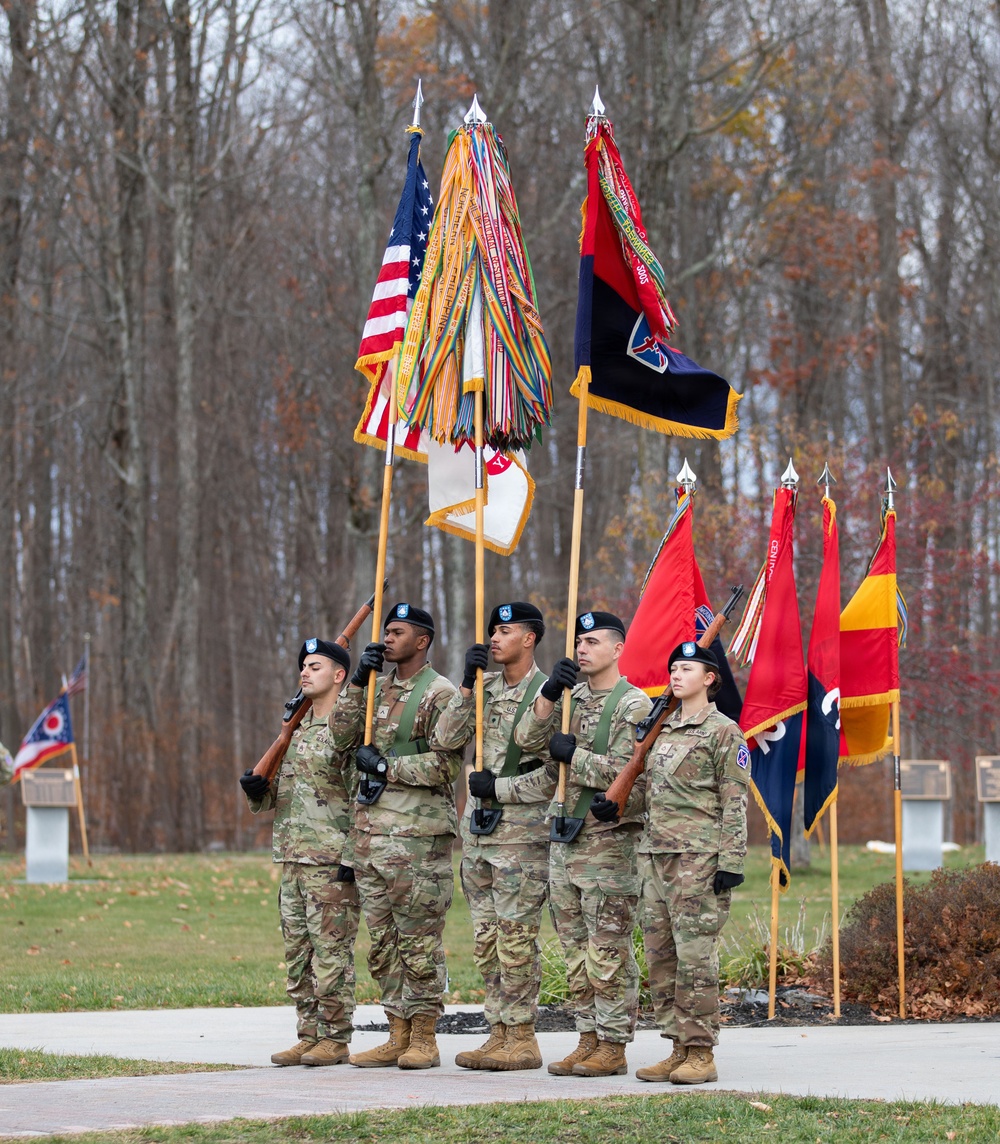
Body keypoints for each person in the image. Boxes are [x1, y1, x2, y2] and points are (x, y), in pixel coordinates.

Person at [594, 640, 748, 1085]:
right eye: (673, 669)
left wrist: (731, 860)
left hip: (698, 860)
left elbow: (733, 801)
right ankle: (676, 1046)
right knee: (661, 959)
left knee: (696, 957)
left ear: (710, 678)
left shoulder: (723, 731)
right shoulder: (660, 731)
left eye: (687, 668)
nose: (677, 675)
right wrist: (617, 806)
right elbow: (649, 792)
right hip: (655, 857)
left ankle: (701, 1051)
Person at [514, 611, 651, 1078]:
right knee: (574, 949)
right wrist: (549, 695)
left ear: (617, 649)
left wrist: (578, 757)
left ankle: (612, 1044)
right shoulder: (569, 701)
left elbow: (636, 776)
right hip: (565, 842)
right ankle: (587, 1035)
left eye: (593, 641)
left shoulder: (635, 706)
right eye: (578, 642)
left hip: (608, 845)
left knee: (607, 950)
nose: (582, 649)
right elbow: (526, 741)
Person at [329, 602, 461, 1071]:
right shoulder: (375, 689)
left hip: (417, 840)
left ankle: (424, 1034)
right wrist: (356, 686)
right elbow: (339, 739)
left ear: (422, 641)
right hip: (370, 837)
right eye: (386, 630)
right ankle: (396, 1032)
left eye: (398, 631)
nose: (387, 637)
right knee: (382, 945)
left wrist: (388, 766)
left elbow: (447, 763)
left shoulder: (440, 693)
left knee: (419, 942)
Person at [431, 602, 556, 1072]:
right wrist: (466, 684)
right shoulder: (481, 691)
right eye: (492, 631)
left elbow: (553, 774)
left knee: (516, 937)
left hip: (521, 837)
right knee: (486, 939)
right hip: (478, 834)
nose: (495, 638)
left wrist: (501, 788)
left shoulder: (550, 693)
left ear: (530, 638)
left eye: (505, 630)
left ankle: (523, 1036)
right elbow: (445, 738)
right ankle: (498, 1029)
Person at [240, 637, 360, 1067]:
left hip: (330, 861)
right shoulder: (297, 729)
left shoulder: (348, 730)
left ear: (340, 675)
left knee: (331, 956)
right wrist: (258, 790)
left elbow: (361, 799)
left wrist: (351, 857)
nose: (305, 672)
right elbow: (282, 795)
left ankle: (336, 1037)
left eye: (316, 666)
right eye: (303, 666)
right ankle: (308, 1034)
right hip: (292, 858)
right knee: (297, 957)